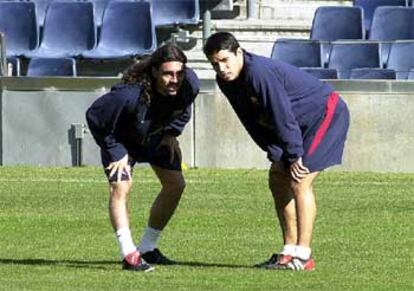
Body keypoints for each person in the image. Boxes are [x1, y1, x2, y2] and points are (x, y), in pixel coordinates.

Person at [203, 32, 349, 271]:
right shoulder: (226, 82)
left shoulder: (259, 72)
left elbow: (280, 114)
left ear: (239, 52)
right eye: (215, 64)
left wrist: (292, 155)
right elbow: (250, 120)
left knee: (299, 180)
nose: (221, 68)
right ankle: (288, 252)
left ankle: (304, 256)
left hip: (325, 114)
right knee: (277, 179)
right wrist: (274, 152)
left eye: (225, 60)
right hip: (297, 124)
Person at [86, 44, 199, 272]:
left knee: (175, 185)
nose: (174, 79)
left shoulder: (189, 83)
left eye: (179, 73)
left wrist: (171, 133)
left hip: (156, 134)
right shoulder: (129, 94)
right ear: (155, 71)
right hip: (122, 140)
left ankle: (148, 247)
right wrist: (114, 150)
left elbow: (184, 107)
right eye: (168, 74)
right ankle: (129, 254)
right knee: (121, 186)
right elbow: (95, 116)